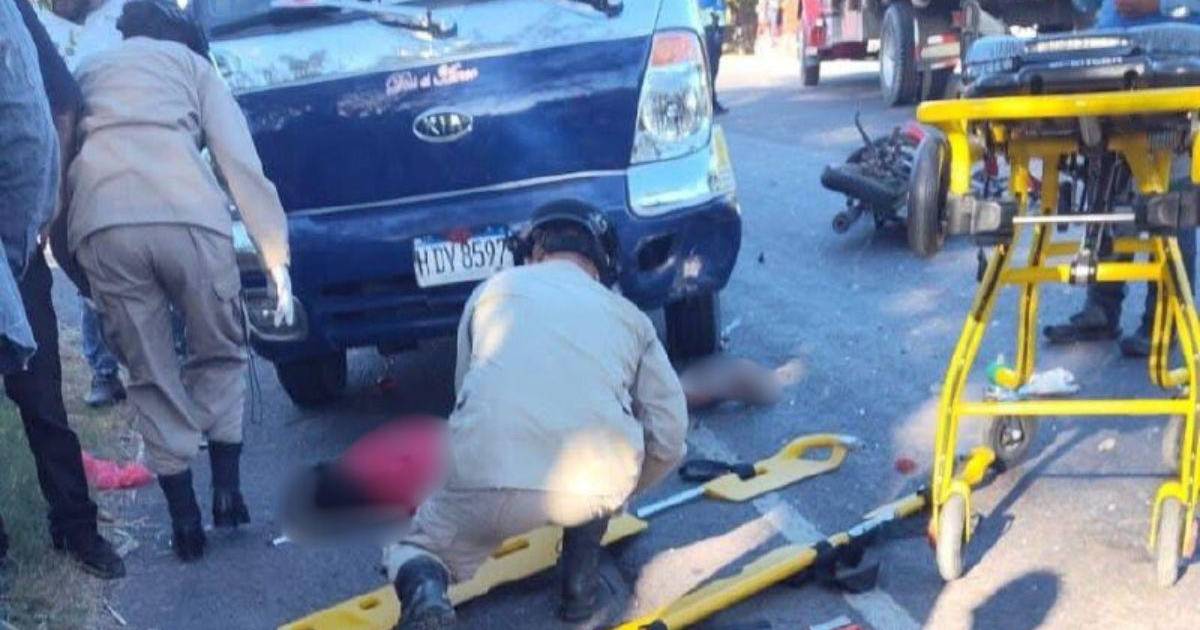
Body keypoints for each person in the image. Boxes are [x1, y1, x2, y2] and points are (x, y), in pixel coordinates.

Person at [383, 201, 688, 629]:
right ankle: (579, 588)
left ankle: (427, 596)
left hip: (486, 473)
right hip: (590, 483)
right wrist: (624, 491)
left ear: (534, 253)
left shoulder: (491, 292)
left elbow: (465, 396)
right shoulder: (630, 318)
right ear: (599, 263)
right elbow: (671, 434)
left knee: (415, 548)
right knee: (606, 463)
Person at [66, 0, 294, 562]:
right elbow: (239, 162)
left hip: (104, 223)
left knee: (150, 372)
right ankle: (228, 494)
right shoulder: (194, 68)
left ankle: (185, 521)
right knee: (219, 348)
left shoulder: (88, 71)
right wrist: (275, 258)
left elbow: (61, 154)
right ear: (180, 36)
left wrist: (76, 265)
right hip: (189, 217)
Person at [0, 0, 125, 580]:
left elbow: (61, 101)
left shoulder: (12, 14)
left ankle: (76, 527)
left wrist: (47, 200)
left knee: (41, 397)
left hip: (14, 242)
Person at [1045, 0, 1200, 356]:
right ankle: (1101, 307)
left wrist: (1160, 4)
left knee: (1170, 206)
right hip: (1109, 75)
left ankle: (1164, 320)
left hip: (1174, 77)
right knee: (1109, 200)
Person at [699, 0, 728, 114]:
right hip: (710, 24)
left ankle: (711, 100)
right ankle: (709, 102)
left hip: (716, 24)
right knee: (710, 66)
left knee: (714, 67)